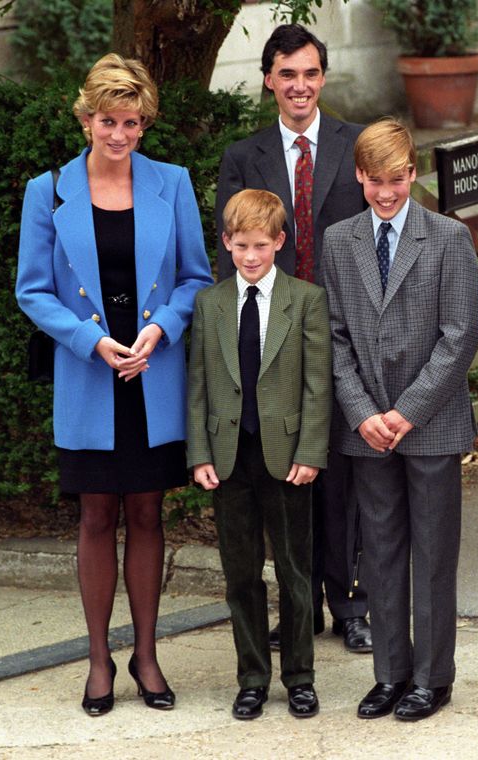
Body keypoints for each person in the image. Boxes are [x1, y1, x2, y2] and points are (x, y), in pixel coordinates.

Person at [16, 54, 213, 717]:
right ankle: (99, 658)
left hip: (152, 371)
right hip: (88, 374)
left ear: (144, 122)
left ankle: (147, 655)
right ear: (85, 118)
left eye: (132, 122)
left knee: (148, 513)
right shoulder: (48, 190)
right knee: (96, 514)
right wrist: (91, 341)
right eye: (108, 121)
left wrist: (158, 332)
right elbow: (33, 291)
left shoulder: (174, 183)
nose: (120, 135)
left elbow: (195, 277)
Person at [320, 118, 478, 721]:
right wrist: (364, 414)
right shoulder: (341, 242)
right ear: (359, 177)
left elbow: (461, 335)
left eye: (397, 180)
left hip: (430, 423)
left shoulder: (446, 238)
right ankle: (389, 673)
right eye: (374, 181)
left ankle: (432, 677)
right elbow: (334, 339)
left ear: (413, 173)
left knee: (433, 552)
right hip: (367, 431)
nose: (386, 193)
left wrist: (405, 412)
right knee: (380, 552)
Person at [215, 23, 371, 654]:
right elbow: (231, 262)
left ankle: (352, 602)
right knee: (288, 476)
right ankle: (298, 611)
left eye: (310, 73)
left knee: (343, 477)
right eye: (287, 75)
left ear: (323, 78)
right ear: (268, 81)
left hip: (343, 331)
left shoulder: (354, 143)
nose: (299, 86)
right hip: (274, 339)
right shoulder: (243, 157)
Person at [188, 188, 332, 721]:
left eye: (261, 245)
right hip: (230, 458)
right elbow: (198, 383)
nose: (251, 257)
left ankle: (300, 676)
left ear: (280, 242)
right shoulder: (211, 303)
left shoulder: (306, 299)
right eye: (241, 245)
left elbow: (319, 385)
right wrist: (199, 452)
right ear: (226, 244)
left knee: (296, 571)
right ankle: (252, 676)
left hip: (288, 456)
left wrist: (312, 450)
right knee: (241, 573)